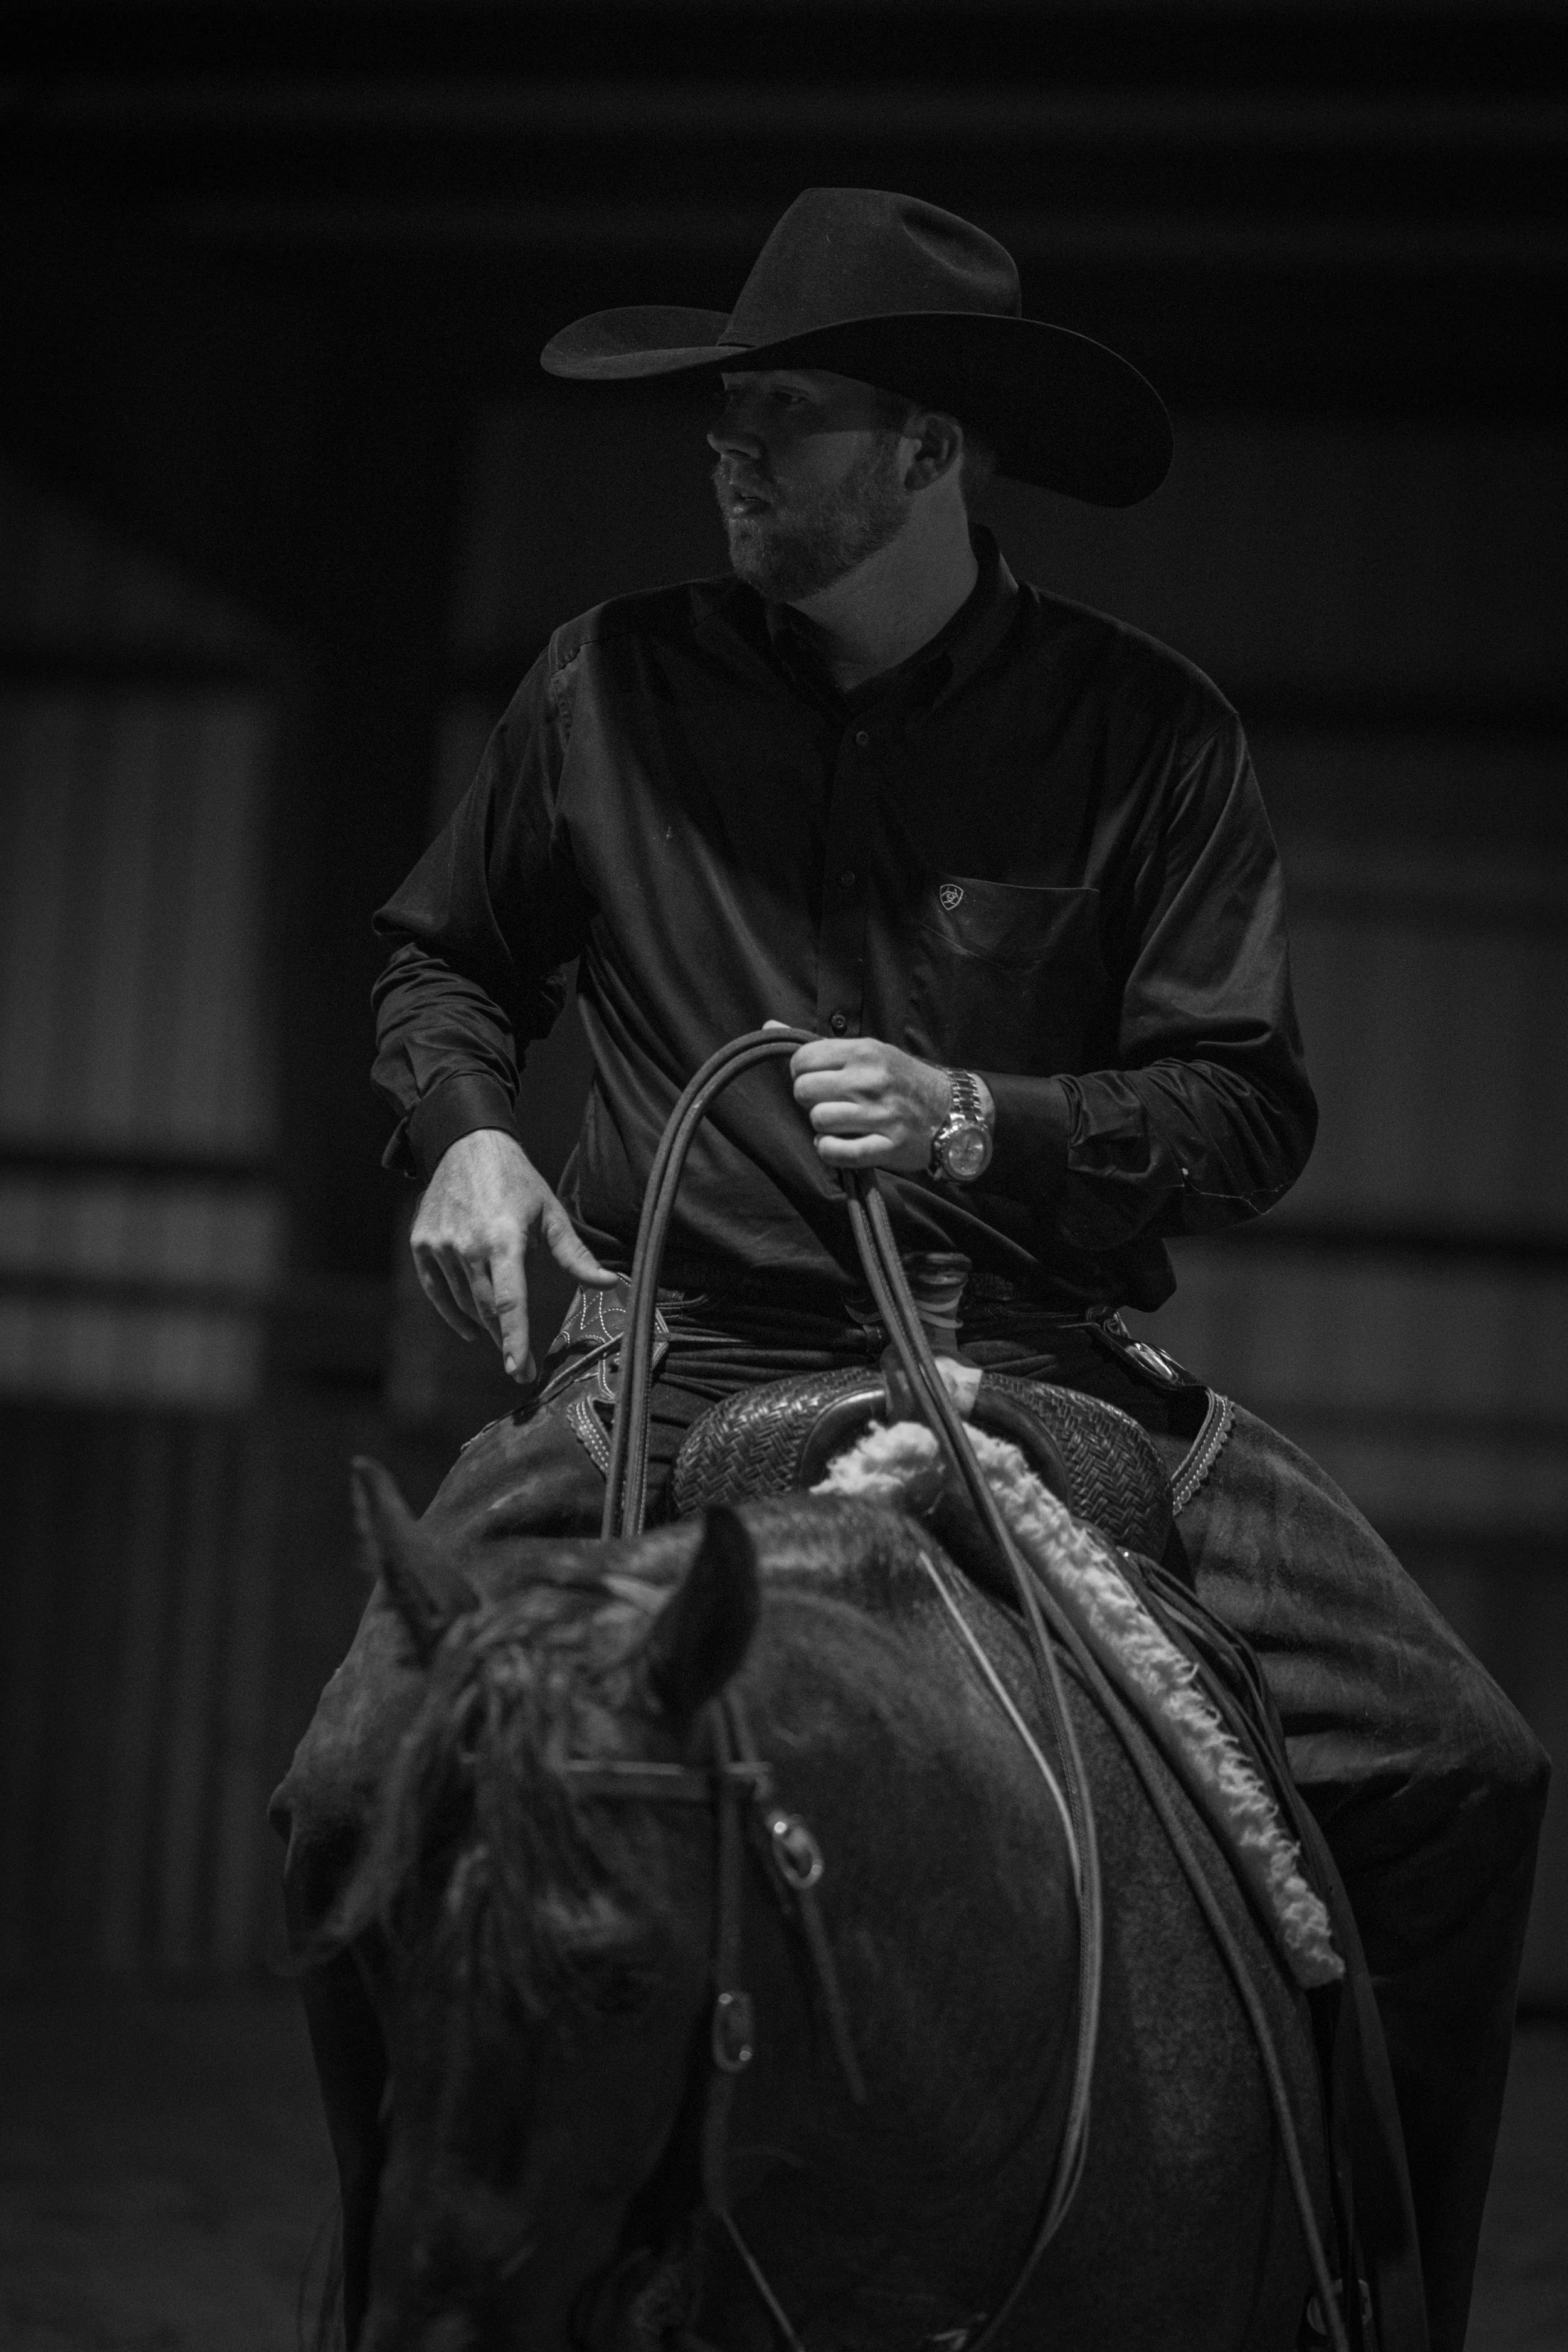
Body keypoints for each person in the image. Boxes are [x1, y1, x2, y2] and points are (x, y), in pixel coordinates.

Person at [367, 191, 1544, 2350]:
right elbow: (446, 957)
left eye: (786, 418)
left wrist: (977, 1117)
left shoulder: (1144, 736)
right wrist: (469, 1143)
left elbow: (1239, 1106)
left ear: (930, 450)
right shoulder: (601, 686)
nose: (731, 453)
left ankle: (1385, 2300)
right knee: (349, 1780)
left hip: (1029, 1370)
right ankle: (387, 2296)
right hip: (669, 1356)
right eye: (725, 415)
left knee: (1463, 1766)